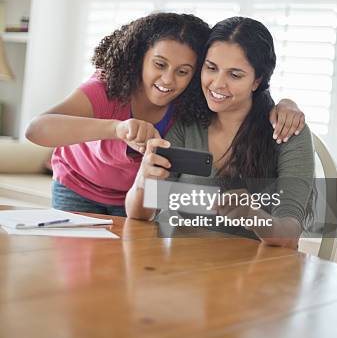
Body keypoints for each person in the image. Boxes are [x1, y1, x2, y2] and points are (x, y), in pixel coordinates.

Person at [26, 13, 305, 217]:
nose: (168, 79)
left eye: (183, 71)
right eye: (159, 64)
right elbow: (36, 129)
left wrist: (286, 103)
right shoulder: (109, 86)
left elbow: (240, 90)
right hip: (79, 186)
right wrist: (117, 129)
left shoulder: (190, 102)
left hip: (132, 199)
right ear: (139, 58)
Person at [127, 16, 315, 248]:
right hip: (182, 269)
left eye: (235, 75)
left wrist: (253, 216)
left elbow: (289, 235)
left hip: (253, 273)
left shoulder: (287, 132)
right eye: (211, 68)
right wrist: (143, 180)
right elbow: (140, 215)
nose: (217, 84)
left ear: (257, 80)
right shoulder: (187, 124)